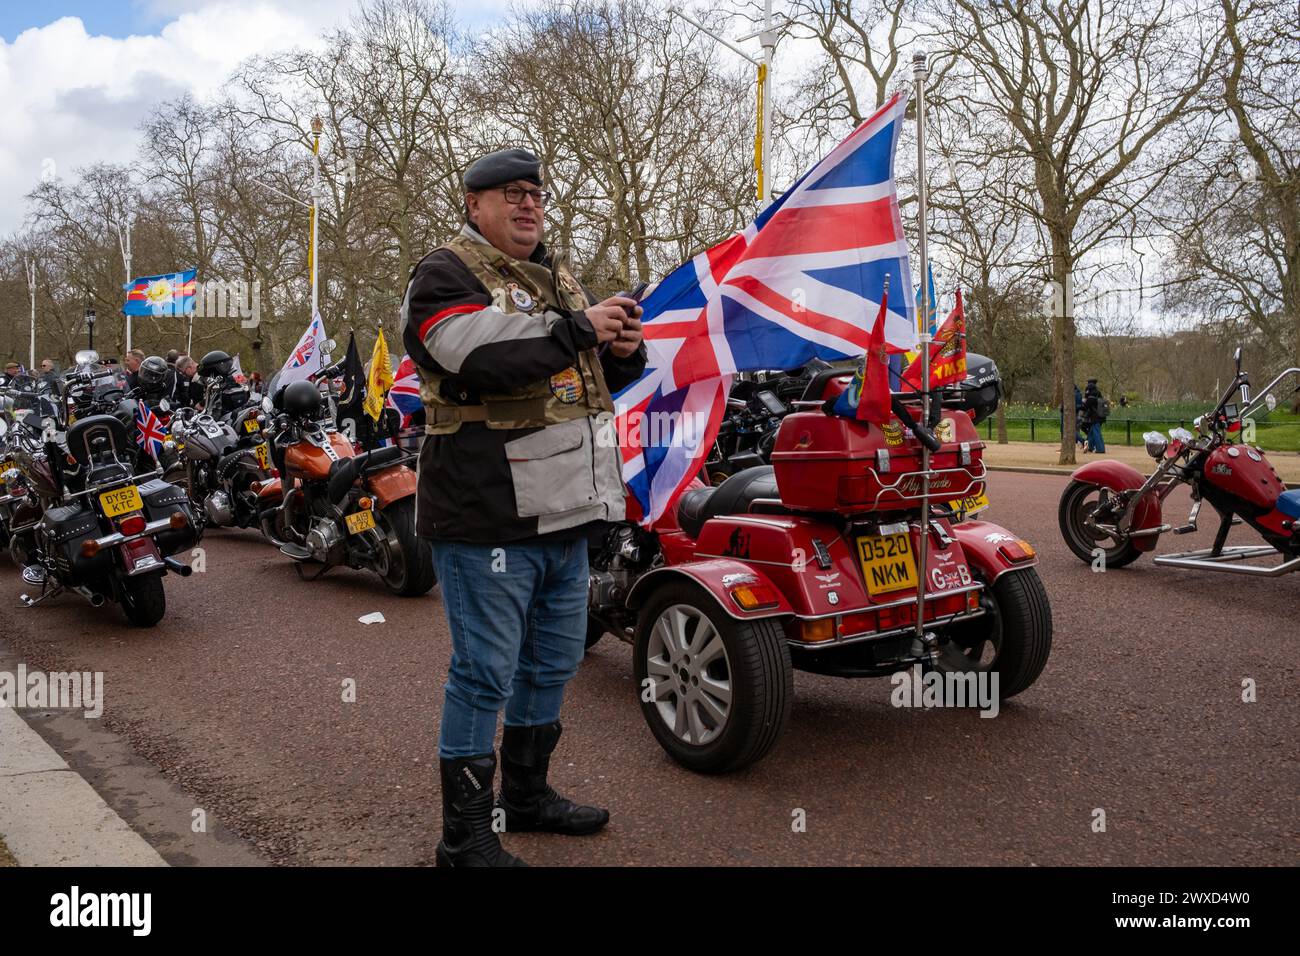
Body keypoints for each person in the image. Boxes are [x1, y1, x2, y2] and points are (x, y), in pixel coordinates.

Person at [400, 147, 647, 867]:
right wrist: (578, 329)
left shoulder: (556, 276)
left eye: (536, 193)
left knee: (552, 663)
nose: (529, 204)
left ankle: (528, 796)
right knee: (484, 673)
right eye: (510, 194)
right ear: (472, 204)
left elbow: (583, 375)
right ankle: (465, 839)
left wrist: (621, 348)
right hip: (486, 516)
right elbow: (474, 355)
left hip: (565, 510)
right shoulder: (444, 272)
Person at [1083, 379, 1107, 452]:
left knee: (1096, 433)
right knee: (1091, 432)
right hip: (1100, 416)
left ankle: (1100, 449)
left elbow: (1086, 406)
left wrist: (1084, 402)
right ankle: (1090, 447)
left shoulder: (1091, 397)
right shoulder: (1098, 394)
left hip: (1095, 417)